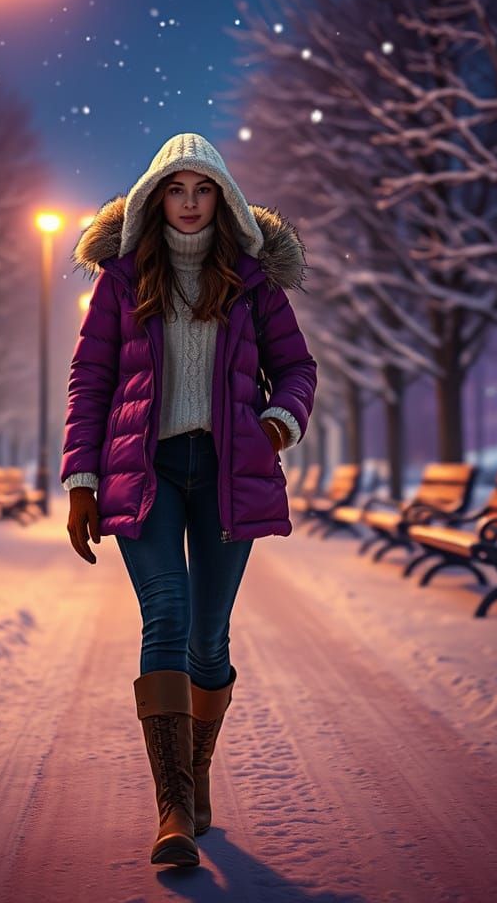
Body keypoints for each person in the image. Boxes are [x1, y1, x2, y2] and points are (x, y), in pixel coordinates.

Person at [60, 132, 318, 867]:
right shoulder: (121, 280)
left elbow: (297, 367)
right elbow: (90, 381)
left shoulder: (252, 282)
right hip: (146, 470)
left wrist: (279, 421)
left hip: (228, 469)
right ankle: (172, 806)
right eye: (176, 190)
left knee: (209, 637)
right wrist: (81, 482)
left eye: (203, 190)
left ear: (223, 198)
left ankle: (197, 771)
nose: (190, 203)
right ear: (154, 198)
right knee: (166, 614)